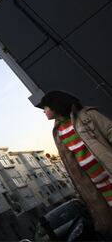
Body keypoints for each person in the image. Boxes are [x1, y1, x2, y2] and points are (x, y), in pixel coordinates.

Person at [37, 91, 112, 239]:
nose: (44, 112)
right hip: (96, 189)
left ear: (54, 106)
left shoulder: (86, 115)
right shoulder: (58, 132)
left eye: (45, 108)